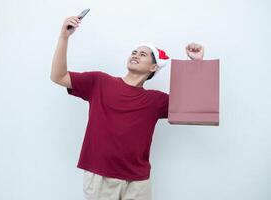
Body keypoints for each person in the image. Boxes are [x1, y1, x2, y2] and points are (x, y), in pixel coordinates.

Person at [50, 16, 204, 200]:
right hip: (100, 177)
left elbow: (195, 106)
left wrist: (196, 64)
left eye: (143, 54)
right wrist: (64, 37)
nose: (135, 55)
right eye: (134, 51)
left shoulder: (155, 100)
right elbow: (58, 76)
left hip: (138, 182)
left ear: (154, 67)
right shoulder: (100, 82)